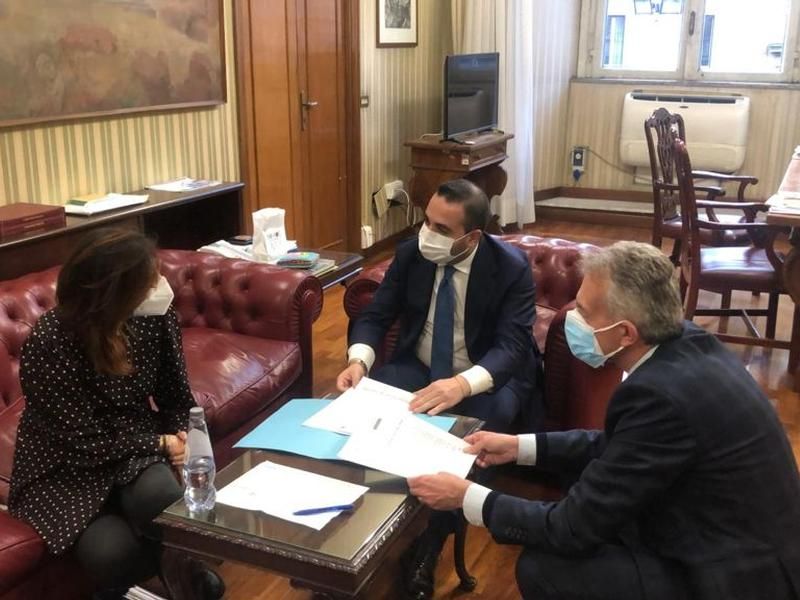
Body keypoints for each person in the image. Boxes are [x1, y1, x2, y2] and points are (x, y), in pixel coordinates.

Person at [408, 241, 800, 600]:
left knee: (545, 570)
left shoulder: (659, 395)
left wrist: (466, 497)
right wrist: (518, 447)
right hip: (734, 532)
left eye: (582, 312)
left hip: (737, 577)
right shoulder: (687, 342)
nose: (572, 319)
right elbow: (619, 444)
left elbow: (569, 528)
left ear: (625, 333)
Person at [337, 179, 544, 599]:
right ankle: (363, 523)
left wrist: (461, 384)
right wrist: (359, 360)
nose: (426, 234)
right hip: (420, 364)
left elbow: (512, 346)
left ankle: (429, 546)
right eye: (426, 221)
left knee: (470, 447)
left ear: (472, 237)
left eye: (441, 229)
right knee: (367, 418)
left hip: (487, 375)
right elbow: (376, 315)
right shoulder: (411, 253)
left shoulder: (510, 267)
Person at [8, 229, 224, 600]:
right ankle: (170, 565)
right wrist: (160, 443)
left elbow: (175, 395)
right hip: (64, 464)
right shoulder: (51, 339)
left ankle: (181, 566)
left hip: (132, 440)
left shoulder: (154, 315)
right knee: (110, 553)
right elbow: (81, 442)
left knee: (160, 498)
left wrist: (182, 439)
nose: (160, 285)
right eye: (149, 280)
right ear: (113, 295)